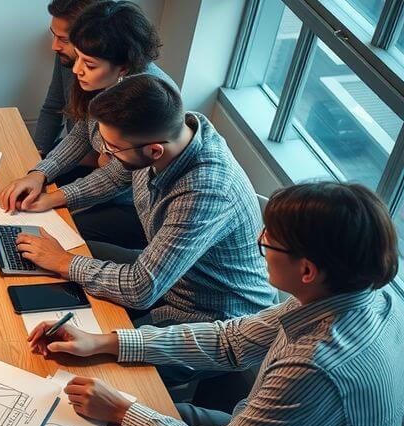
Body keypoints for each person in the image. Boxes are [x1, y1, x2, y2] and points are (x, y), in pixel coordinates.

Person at [28, 181, 404, 426]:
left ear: (307, 270)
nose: (260, 240)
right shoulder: (360, 294)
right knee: (101, 403)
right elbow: (231, 341)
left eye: (269, 242)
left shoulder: (317, 366)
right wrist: (105, 341)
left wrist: (123, 411)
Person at [14, 74, 276, 326]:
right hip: (168, 277)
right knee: (53, 258)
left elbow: (141, 288)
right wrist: (52, 198)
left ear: (154, 151)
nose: (105, 155)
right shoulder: (172, 133)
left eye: (112, 148)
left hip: (211, 313)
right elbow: (117, 175)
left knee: (98, 352)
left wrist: (62, 261)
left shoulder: (204, 192)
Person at [4, 0, 173, 249]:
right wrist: (40, 173)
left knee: (60, 236)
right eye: (78, 59)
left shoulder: (142, 99)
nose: (77, 70)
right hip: (110, 186)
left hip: (137, 209)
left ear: (123, 67)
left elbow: (116, 176)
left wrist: (54, 198)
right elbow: (82, 132)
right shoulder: (104, 81)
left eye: (89, 64)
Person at [31, 0, 111, 157]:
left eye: (63, 39)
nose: (54, 46)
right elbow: (54, 108)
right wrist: (38, 156)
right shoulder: (67, 56)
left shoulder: (135, 86)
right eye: (53, 34)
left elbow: (114, 165)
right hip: (70, 154)